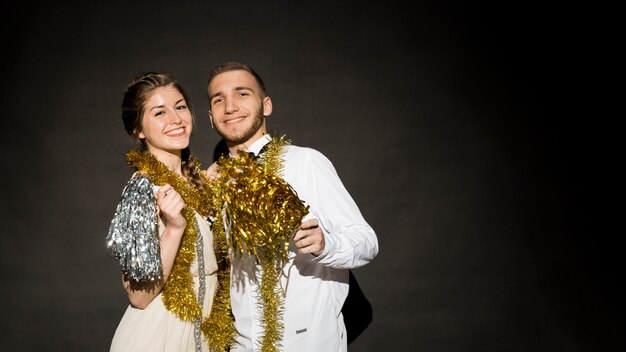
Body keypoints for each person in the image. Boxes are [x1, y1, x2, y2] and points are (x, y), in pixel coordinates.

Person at [205, 61, 379, 351]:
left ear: (267, 105)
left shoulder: (305, 163)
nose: (230, 106)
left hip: (308, 342)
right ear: (211, 118)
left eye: (242, 94)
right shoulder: (215, 183)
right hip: (242, 344)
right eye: (219, 99)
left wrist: (326, 245)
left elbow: (367, 242)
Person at [106, 72, 234, 352]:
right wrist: (175, 228)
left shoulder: (199, 183)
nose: (175, 119)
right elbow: (138, 296)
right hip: (159, 338)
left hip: (206, 335)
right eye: (159, 112)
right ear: (138, 129)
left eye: (180, 107)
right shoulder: (143, 189)